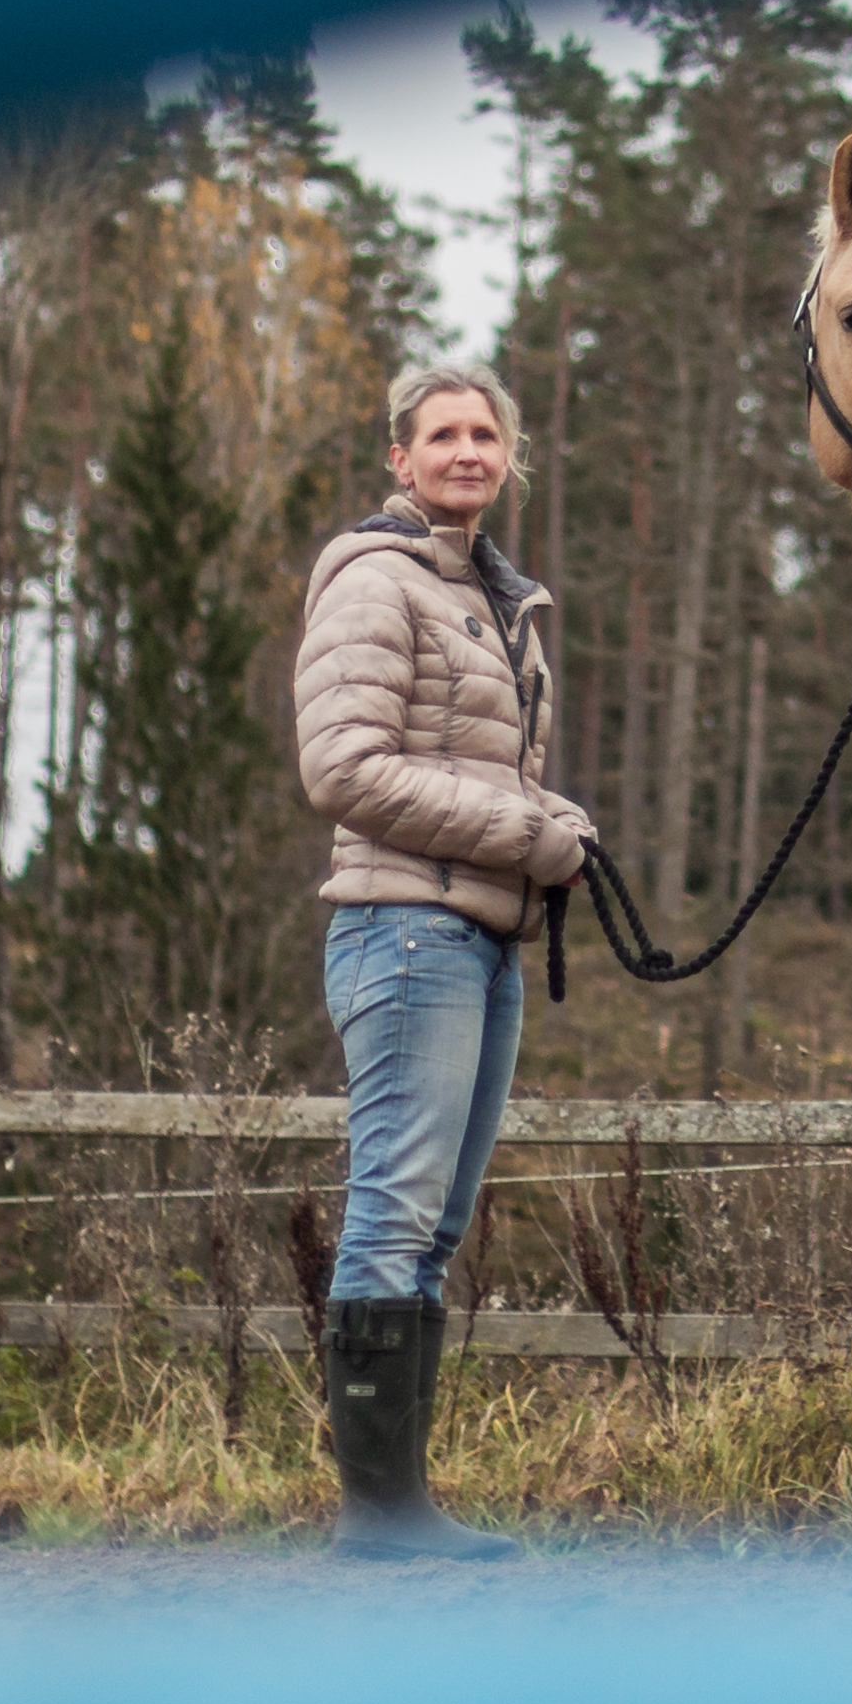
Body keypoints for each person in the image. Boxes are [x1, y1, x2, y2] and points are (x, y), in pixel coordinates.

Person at [291, 360, 589, 1559]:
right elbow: (344, 768)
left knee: (433, 1226)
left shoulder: (485, 595)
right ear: (399, 459)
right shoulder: (378, 584)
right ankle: (378, 1519)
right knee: (394, 1215)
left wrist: (553, 823)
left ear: (508, 459)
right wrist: (529, 831)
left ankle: (399, 1512)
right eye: (443, 435)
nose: (468, 451)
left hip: (474, 936)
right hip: (407, 933)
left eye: (487, 435)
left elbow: (462, 764)